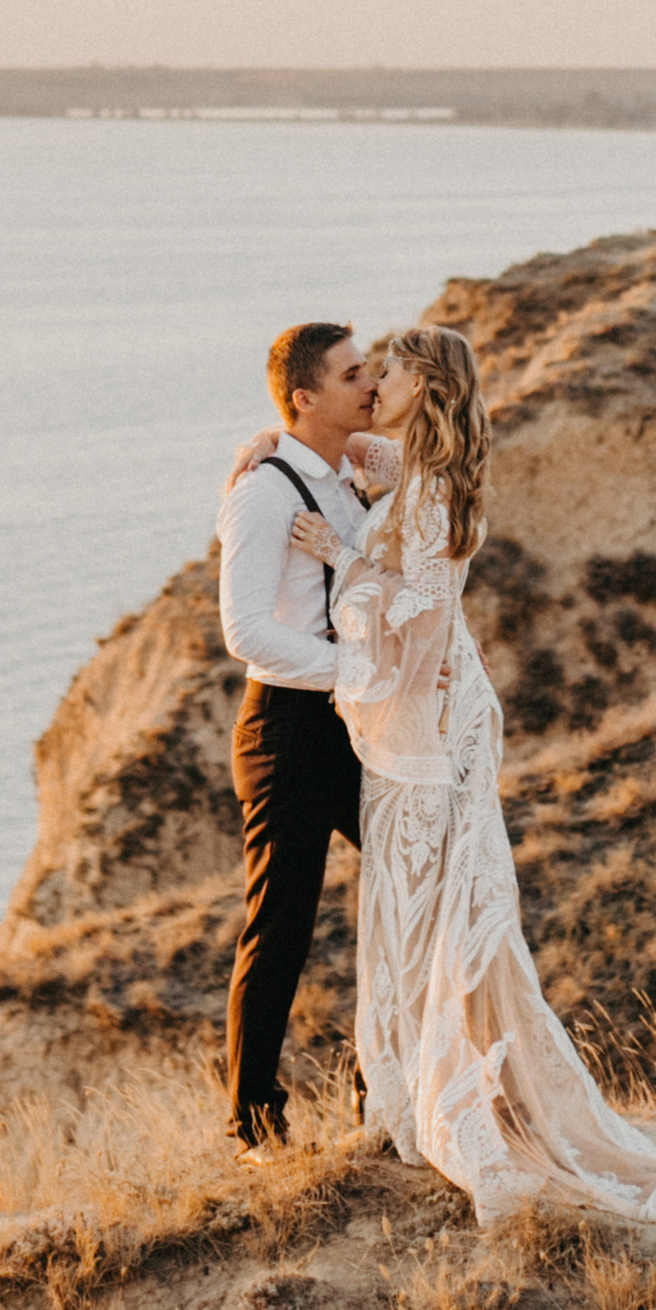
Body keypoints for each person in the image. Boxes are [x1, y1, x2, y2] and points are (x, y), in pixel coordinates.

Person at [282, 323, 656, 1224]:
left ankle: (453, 1105)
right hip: (429, 711)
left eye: (387, 372)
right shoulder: (418, 469)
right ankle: (423, 1091)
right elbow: (355, 454)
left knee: (428, 905)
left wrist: (342, 557)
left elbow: (425, 618)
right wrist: (270, 445)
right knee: (421, 903)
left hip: (430, 724)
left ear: (423, 386)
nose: (373, 386)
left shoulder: (429, 487)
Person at [214, 319, 393, 1151]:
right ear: (306, 398)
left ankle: (381, 1085)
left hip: (353, 725)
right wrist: (349, 672)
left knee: (411, 886)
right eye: (354, 373)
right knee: (280, 926)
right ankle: (253, 1126)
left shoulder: (346, 470)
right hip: (286, 730)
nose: (371, 383)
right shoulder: (264, 490)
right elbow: (245, 630)